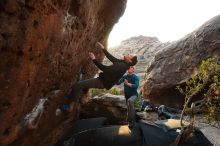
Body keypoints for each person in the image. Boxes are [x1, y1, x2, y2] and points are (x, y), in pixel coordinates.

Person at [56, 42, 138, 115]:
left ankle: (70, 107)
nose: (128, 54)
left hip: (101, 82)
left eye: (130, 55)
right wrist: (103, 49)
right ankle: (83, 98)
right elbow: (113, 59)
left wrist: (94, 59)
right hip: (103, 81)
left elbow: (105, 69)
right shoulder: (123, 63)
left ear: (130, 61)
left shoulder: (122, 66)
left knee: (78, 85)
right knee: (85, 85)